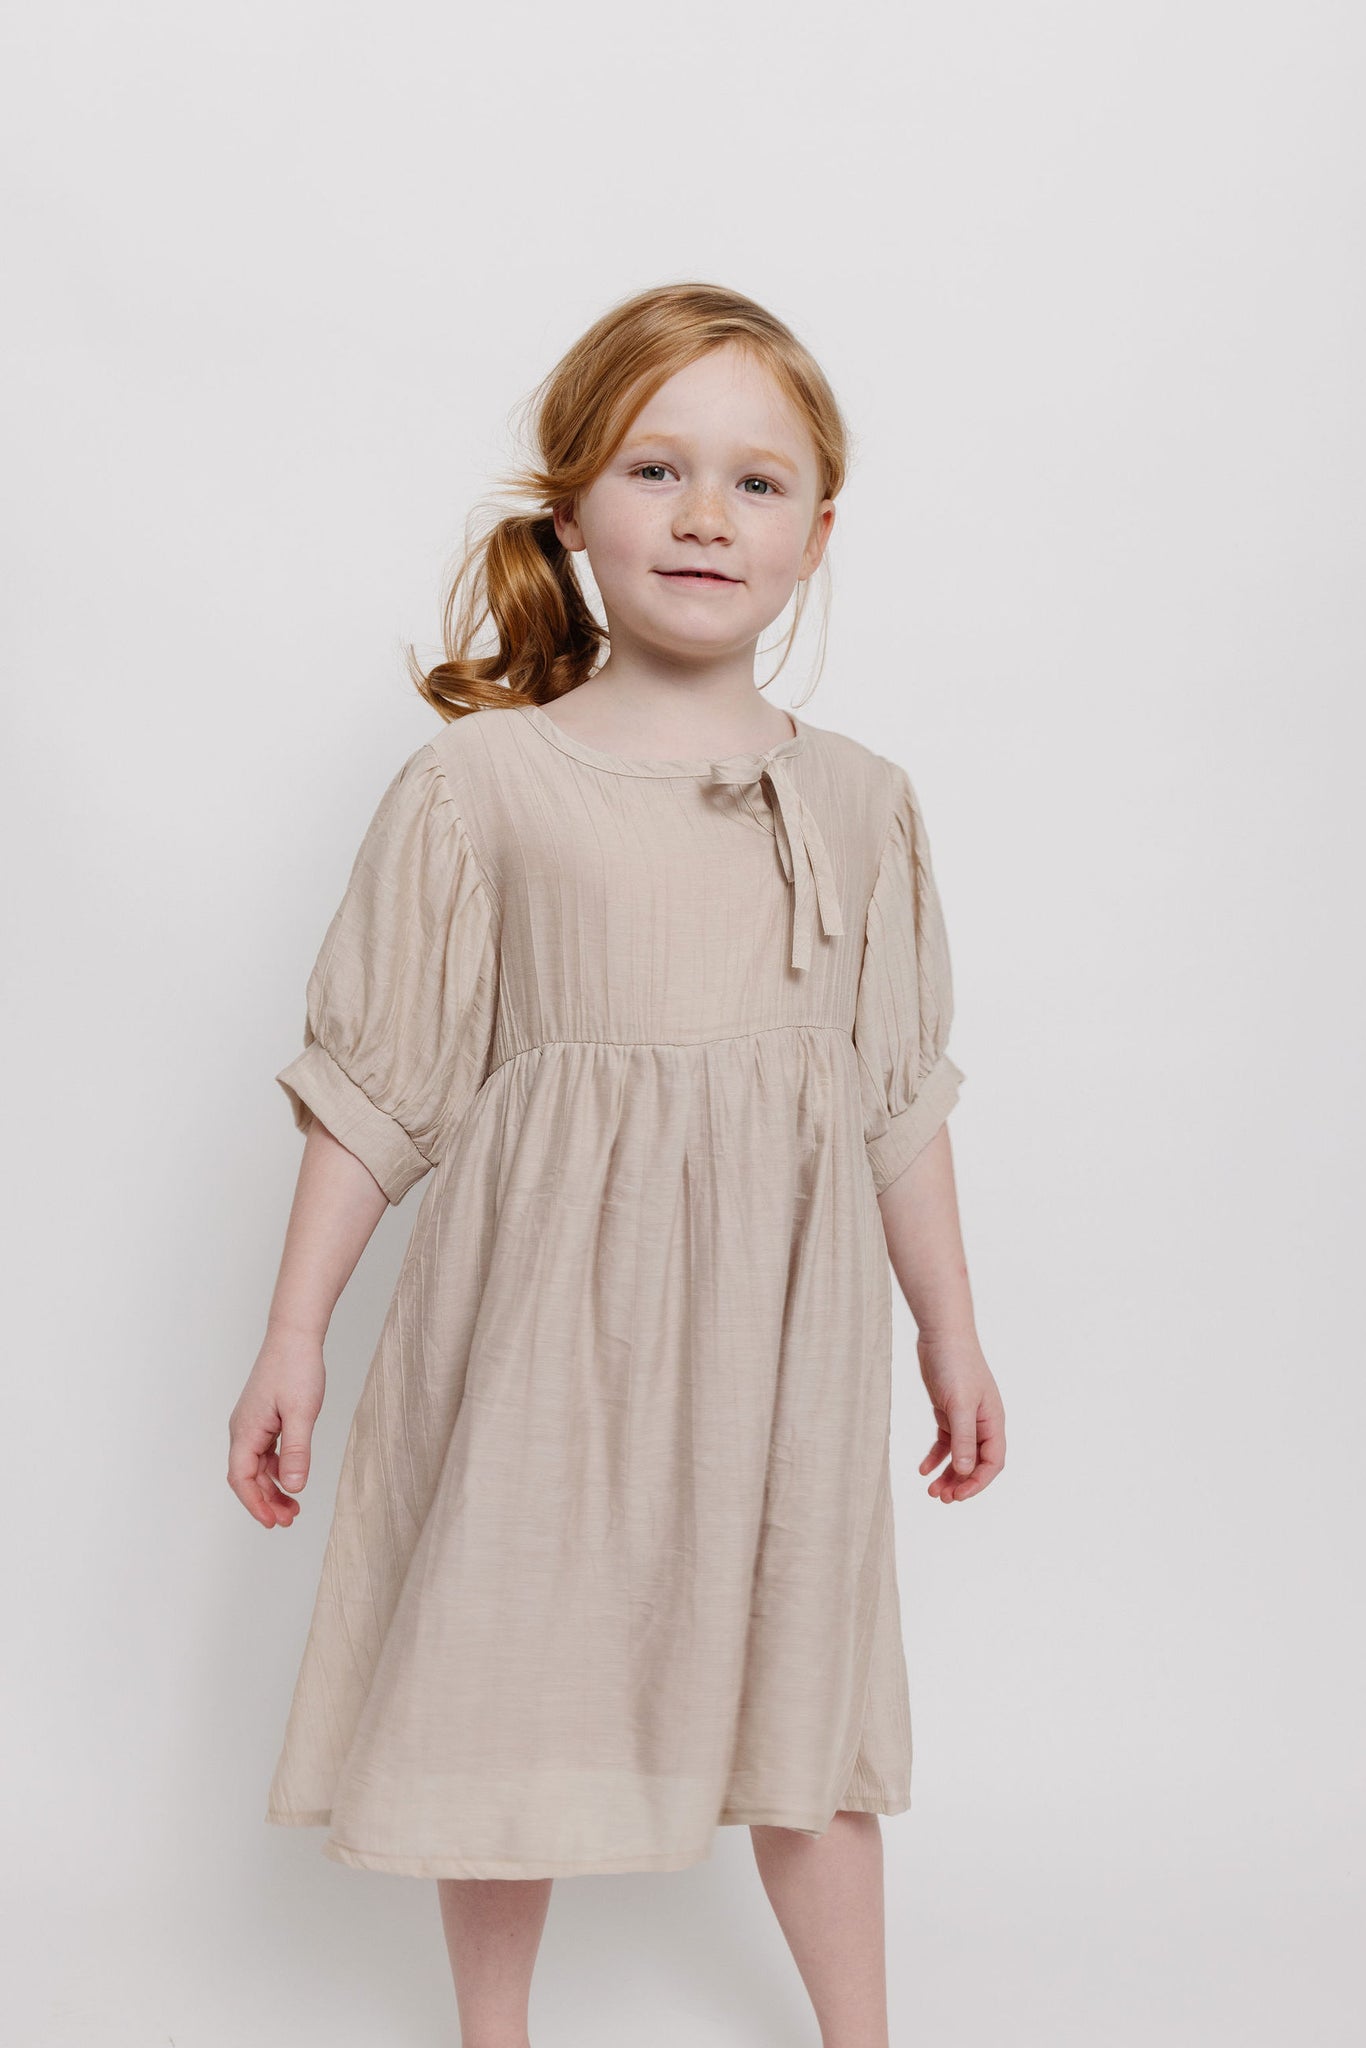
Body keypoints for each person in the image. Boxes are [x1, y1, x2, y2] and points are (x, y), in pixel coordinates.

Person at [229, 279, 1005, 2048]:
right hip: (542, 1336)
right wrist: (292, 1335)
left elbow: (896, 1096)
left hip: (779, 1347)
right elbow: (377, 1084)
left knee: (808, 1699)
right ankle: (491, 2034)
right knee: (503, 1669)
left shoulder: (861, 801)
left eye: (754, 480)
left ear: (816, 533)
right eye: (657, 469)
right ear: (574, 509)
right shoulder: (484, 786)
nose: (704, 514)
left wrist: (951, 1334)